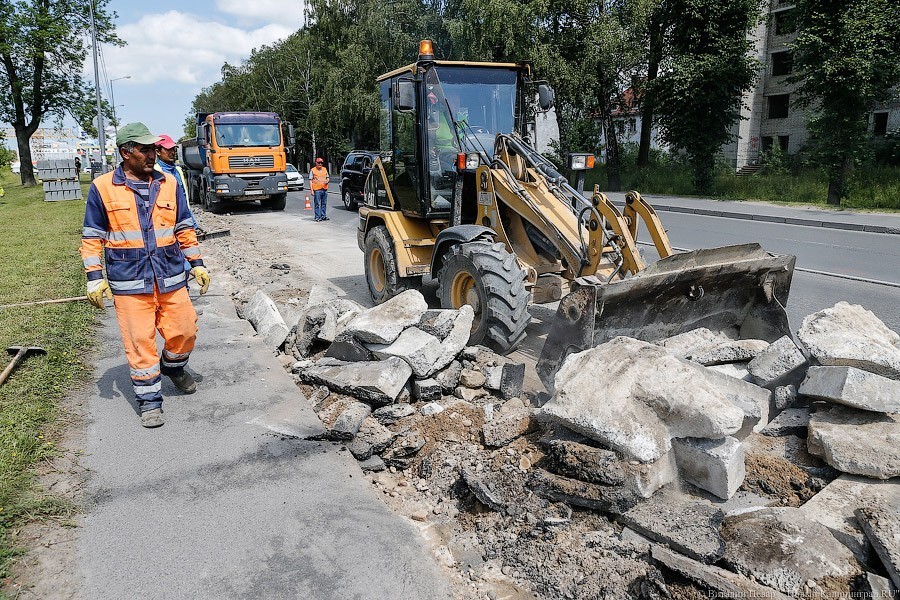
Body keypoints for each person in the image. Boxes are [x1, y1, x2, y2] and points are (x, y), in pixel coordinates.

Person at [80, 122, 211, 428]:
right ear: (126, 152)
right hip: (130, 281)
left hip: (169, 275)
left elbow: (182, 228)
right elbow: (91, 236)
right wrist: (94, 277)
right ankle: (150, 401)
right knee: (140, 343)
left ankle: (173, 367)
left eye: (154, 148)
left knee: (185, 330)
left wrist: (197, 263)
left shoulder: (169, 183)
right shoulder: (102, 188)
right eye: (145, 149)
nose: (153, 154)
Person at [154, 134, 199, 276]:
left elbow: (184, 199)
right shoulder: (155, 172)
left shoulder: (178, 170)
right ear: (158, 151)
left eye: (173, 149)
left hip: (181, 219)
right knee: (175, 261)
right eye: (168, 149)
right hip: (166, 224)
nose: (172, 152)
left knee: (186, 256)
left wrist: (191, 221)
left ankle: (184, 286)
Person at [310, 157, 330, 221]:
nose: (320, 164)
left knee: (324, 203)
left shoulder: (324, 169)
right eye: (319, 162)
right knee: (317, 204)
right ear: (316, 163)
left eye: (321, 163)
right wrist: (312, 190)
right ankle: (317, 217)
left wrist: (327, 181)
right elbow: (310, 181)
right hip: (317, 189)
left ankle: (323, 216)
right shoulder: (313, 170)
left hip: (324, 189)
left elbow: (327, 177)